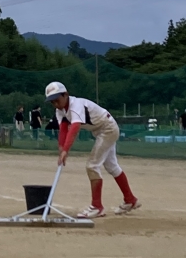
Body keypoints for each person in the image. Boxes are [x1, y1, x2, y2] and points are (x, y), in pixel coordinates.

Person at [45, 81, 140, 218]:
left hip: (107, 129)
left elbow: (75, 128)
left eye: (57, 100)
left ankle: (97, 207)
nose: (55, 104)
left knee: (92, 166)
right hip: (101, 130)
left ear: (65, 95)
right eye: (52, 102)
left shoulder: (75, 105)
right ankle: (130, 199)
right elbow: (64, 129)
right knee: (112, 166)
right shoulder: (60, 111)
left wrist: (66, 150)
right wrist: (61, 149)